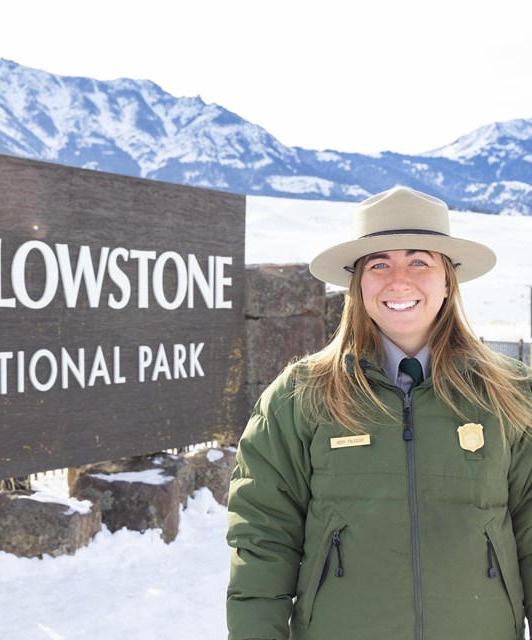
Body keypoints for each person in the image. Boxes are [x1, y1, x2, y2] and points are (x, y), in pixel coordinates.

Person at [226, 186, 532, 640]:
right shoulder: (300, 396)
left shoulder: (509, 393)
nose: (399, 280)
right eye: (379, 263)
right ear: (359, 284)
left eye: (419, 261)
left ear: (447, 280)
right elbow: (262, 540)